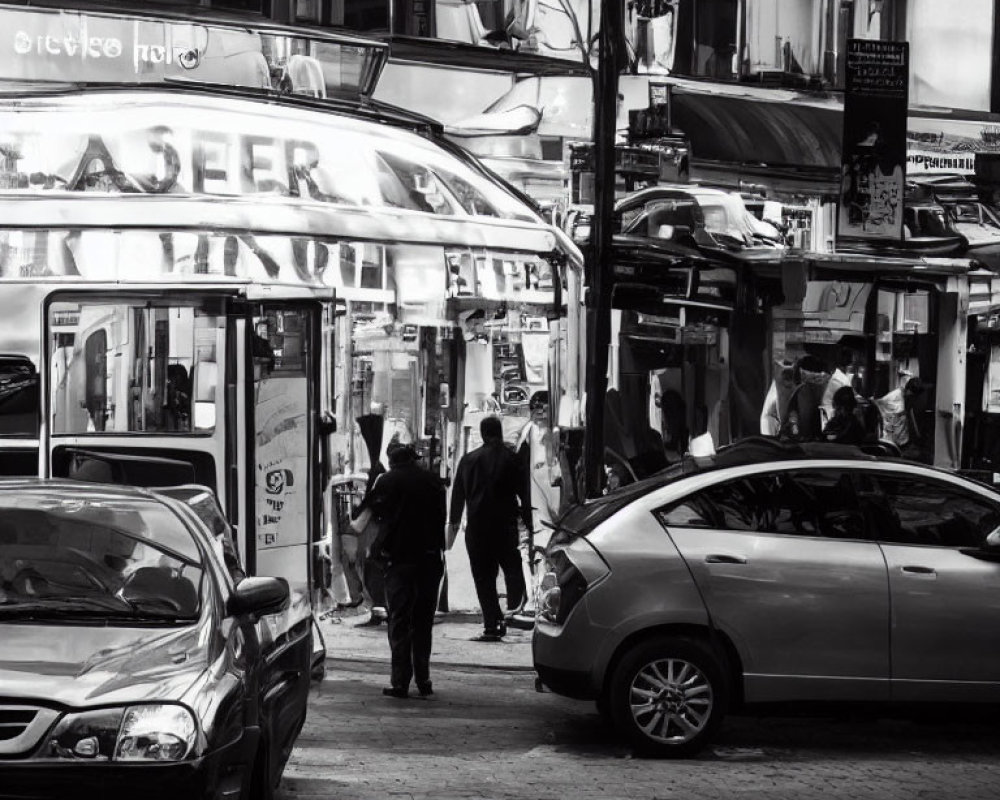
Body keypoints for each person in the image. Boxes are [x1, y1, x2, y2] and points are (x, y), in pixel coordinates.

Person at [369, 443, 446, 699]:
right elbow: (440, 518)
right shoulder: (433, 482)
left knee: (399, 620)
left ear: (391, 461)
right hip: (429, 558)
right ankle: (423, 679)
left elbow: (375, 517)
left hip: (399, 559)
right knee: (423, 620)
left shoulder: (387, 482)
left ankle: (400, 682)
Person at [448, 415, 533, 642]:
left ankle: (491, 623)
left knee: (483, 577)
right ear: (500, 432)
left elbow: (458, 498)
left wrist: (453, 525)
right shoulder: (513, 459)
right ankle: (511, 612)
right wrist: (528, 522)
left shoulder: (468, 460)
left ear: (483, 434)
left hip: (478, 527)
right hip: (505, 526)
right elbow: (525, 494)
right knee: (513, 571)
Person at [350, 456, 389, 627]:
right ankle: (388, 611)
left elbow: (358, 526)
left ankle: (377, 613)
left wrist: (348, 517)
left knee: (371, 581)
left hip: (369, 546)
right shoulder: (389, 496)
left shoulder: (373, 499)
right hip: (386, 544)